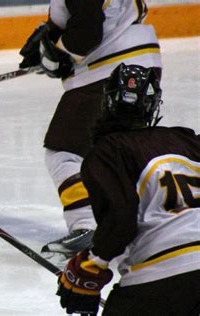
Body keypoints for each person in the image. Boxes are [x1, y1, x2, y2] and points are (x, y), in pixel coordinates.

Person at [18, 0, 163, 264]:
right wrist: (50, 38)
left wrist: (59, 53)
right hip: (140, 64)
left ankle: (87, 225)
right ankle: (130, 227)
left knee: (65, 154)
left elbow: (87, 31)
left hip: (108, 70)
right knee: (113, 155)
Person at [56, 63, 200, 316]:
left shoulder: (107, 151)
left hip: (162, 273)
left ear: (109, 101)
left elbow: (121, 217)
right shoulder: (187, 140)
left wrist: (94, 263)